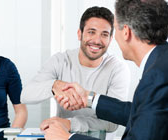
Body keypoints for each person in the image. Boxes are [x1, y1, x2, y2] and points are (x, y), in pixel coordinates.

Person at [44, 0, 168, 140]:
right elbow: (141, 114)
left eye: (114, 29)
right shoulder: (161, 62)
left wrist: (68, 138)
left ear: (126, 32)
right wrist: (89, 98)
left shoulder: (157, 76)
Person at [21, 6, 130, 133]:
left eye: (104, 34)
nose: (96, 40)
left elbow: (112, 123)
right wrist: (54, 85)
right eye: (91, 32)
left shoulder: (118, 69)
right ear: (80, 34)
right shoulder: (61, 61)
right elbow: (25, 95)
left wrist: (70, 123)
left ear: (111, 39)